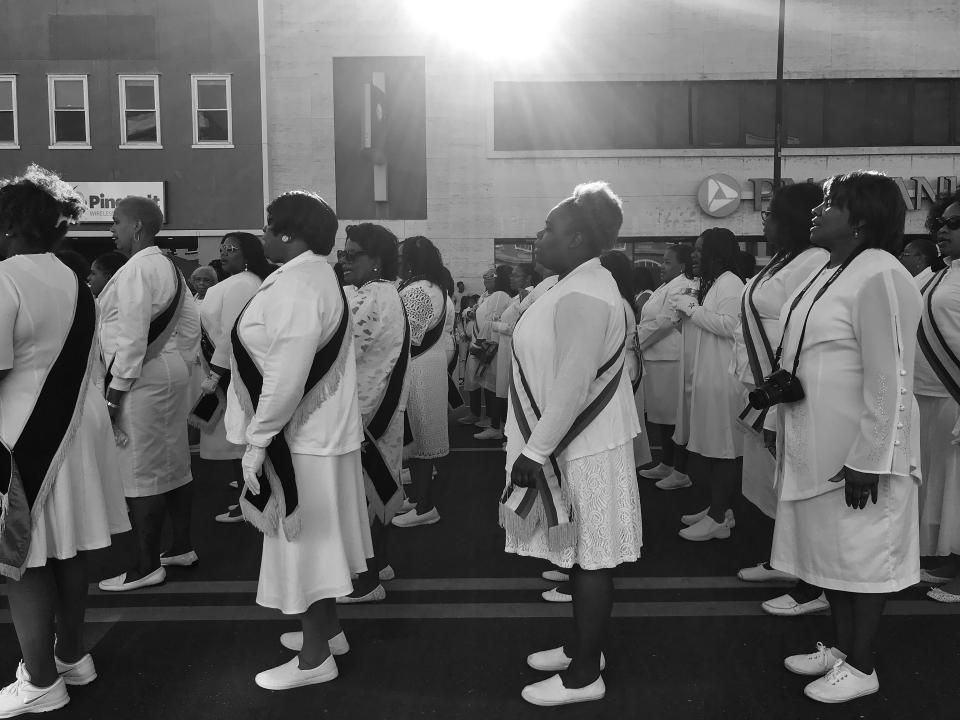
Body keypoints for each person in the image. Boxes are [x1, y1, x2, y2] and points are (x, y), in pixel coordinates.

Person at [772, 171, 921, 704]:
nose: (818, 209)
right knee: (830, 556)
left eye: (831, 203)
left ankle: (862, 665)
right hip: (818, 445)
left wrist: (871, 456)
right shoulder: (832, 270)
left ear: (859, 219)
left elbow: (889, 374)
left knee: (861, 559)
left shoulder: (880, 274)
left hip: (858, 454)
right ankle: (840, 647)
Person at [502, 182, 642, 707]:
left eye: (548, 229)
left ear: (578, 237)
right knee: (582, 558)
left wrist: (535, 452)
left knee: (591, 559)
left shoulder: (585, 289)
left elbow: (573, 380)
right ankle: (583, 649)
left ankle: (585, 675)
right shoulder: (572, 283)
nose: (539, 236)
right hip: (574, 441)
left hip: (581, 445)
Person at [225, 191, 371, 689]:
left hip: (301, 438)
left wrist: (259, 438)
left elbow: (287, 373)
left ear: (288, 233)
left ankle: (315, 660)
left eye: (268, 227)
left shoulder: (297, 284)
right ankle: (327, 634)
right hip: (316, 434)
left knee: (305, 544)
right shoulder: (308, 277)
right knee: (319, 541)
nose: (263, 235)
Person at [0, 166, 129, 716]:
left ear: (9, 224)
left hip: (24, 437)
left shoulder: (5, 278)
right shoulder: (75, 278)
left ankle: (41, 679)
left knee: (23, 558)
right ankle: (72, 655)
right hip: (75, 434)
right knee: (66, 550)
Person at [732, 184, 832, 619]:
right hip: (765, 385)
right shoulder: (784, 259)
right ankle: (788, 561)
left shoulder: (815, 260)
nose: (764, 221)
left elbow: (799, 333)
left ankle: (816, 580)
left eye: (770, 214)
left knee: (804, 487)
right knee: (779, 484)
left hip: (794, 391)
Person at [96, 196, 201, 592]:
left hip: (139, 378)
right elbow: (192, 323)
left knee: (140, 472)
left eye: (116, 221)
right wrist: (181, 362)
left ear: (136, 226)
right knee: (173, 461)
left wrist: (114, 393)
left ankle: (145, 566)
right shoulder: (168, 266)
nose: (112, 229)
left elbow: (132, 336)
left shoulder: (136, 269)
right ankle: (181, 546)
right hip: (167, 371)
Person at [335, 223, 409, 602]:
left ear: (377, 260)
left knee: (363, 496)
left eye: (352, 254)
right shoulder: (380, 292)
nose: (344, 261)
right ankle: (378, 565)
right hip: (377, 406)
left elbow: (340, 352)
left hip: (365, 411)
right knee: (376, 490)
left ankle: (366, 582)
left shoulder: (371, 297)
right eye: (342, 254)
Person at [192, 232, 272, 524]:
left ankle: (250, 502)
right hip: (234, 368)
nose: (224, 253)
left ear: (247, 253)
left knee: (241, 440)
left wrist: (215, 374)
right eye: (222, 248)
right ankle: (248, 499)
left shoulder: (243, 284)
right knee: (241, 440)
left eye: (232, 249)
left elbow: (230, 334)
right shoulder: (243, 282)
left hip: (234, 372)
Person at [671, 228, 745, 542]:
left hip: (723, 378)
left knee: (724, 449)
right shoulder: (714, 283)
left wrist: (692, 310)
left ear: (717, 251)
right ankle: (719, 508)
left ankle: (718, 516)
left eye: (701, 249)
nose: (695, 255)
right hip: (708, 374)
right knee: (713, 450)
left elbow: (731, 326)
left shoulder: (730, 283)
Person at [916, 191, 960, 602]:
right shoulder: (945, 271)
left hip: (954, 393)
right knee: (949, 485)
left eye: (954, 223)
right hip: (940, 393)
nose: (943, 230)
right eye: (941, 223)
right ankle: (952, 560)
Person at [392, 236, 453, 528]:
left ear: (413, 260)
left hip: (418, 369)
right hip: (422, 365)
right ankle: (417, 498)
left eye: (400, 255)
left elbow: (407, 337)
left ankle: (426, 506)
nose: (397, 260)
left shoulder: (419, 291)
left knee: (421, 438)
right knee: (417, 438)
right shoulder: (424, 286)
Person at [637, 244, 697, 483]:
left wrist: (636, 340)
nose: (662, 266)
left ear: (682, 266)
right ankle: (666, 464)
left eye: (667, 262)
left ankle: (680, 471)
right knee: (662, 417)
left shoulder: (683, 285)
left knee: (674, 418)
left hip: (670, 357)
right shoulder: (667, 285)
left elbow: (665, 322)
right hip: (657, 356)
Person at [601, 250, 652, 470]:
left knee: (619, 429)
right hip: (625, 368)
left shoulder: (617, 303)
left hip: (621, 371)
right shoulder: (619, 300)